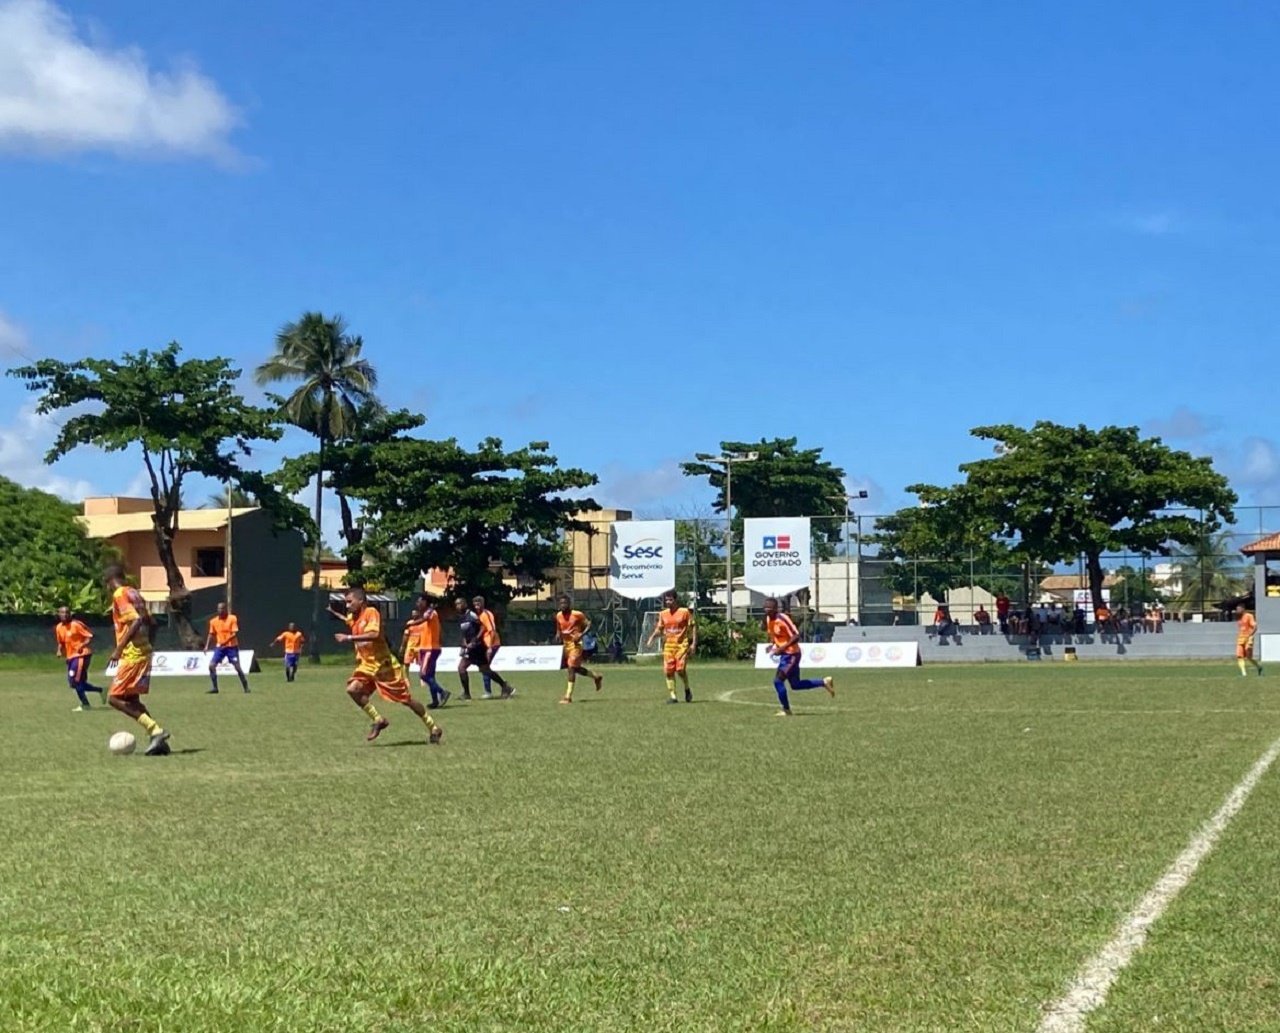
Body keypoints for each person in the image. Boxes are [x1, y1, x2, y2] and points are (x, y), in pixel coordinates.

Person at [331, 587, 442, 743]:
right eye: (346, 602)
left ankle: (433, 727)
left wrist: (348, 637)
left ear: (361, 601)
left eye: (350, 602)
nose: (347, 605)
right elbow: (347, 619)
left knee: (406, 700)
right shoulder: (353, 617)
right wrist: (334, 612)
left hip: (384, 665)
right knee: (352, 689)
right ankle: (378, 720)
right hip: (367, 665)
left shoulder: (371, 612)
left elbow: (374, 634)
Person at [103, 565, 170, 755]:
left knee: (114, 699)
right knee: (131, 698)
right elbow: (152, 622)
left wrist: (119, 649)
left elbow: (136, 621)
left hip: (132, 655)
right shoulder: (135, 593)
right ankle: (159, 742)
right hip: (143, 652)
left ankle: (156, 730)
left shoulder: (119, 595)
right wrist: (148, 645)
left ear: (108, 583)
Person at [763, 597, 834, 717]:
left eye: (769, 608)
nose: (766, 610)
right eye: (765, 608)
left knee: (778, 681)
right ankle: (823, 682)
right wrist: (772, 645)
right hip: (786, 654)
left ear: (776, 608)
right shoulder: (769, 619)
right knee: (795, 685)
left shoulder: (783, 618)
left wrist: (782, 648)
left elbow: (796, 636)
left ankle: (786, 710)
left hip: (792, 654)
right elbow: (775, 635)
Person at [455, 597, 514, 700]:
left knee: (484, 669)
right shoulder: (461, 617)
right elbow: (465, 633)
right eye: (456, 604)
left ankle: (504, 686)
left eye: (460, 604)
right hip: (471, 648)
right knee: (461, 668)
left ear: (465, 604)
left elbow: (482, 627)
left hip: (478, 647)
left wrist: (475, 640)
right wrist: (464, 644)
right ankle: (466, 693)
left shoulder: (472, 615)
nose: (458, 606)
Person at [645, 590, 696, 703]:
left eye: (670, 599)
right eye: (666, 600)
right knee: (668, 671)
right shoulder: (663, 614)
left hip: (682, 645)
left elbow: (693, 627)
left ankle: (687, 689)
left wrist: (693, 644)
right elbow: (659, 629)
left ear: (675, 599)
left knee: (680, 669)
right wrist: (651, 638)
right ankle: (673, 696)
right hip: (668, 646)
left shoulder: (684, 612)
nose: (668, 602)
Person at [553, 595, 604, 703]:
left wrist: (581, 634)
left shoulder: (577, 614)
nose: (563, 605)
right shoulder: (558, 615)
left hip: (576, 644)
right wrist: (558, 634)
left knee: (571, 668)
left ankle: (568, 696)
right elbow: (559, 627)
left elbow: (589, 624)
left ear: (569, 604)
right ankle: (596, 677)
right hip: (566, 645)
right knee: (575, 669)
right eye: (561, 603)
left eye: (565, 603)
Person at [54, 605, 105, 711]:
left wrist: (82, 645)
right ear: (58, 614)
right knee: (75, 683)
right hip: (71, 657)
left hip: (81, 655)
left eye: (67, 612)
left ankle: (85, 704)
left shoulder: (76, 625)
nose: (65, 615)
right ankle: (101, 690)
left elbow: (89, 636)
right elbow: (61, 642)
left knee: (75, 681)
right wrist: (59, 650)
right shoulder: (59, 627)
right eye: (62, 613)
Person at [404, 595, 448, 708]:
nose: (417, 604)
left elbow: (425, 619)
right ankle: (435, 701)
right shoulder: (426, 613)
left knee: (423, 674)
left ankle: (442, 692)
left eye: (419, 601)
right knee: (430, 676)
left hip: (430, 648)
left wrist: (411, 623)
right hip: (425, 648)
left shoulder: (431, 612)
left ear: (425, 602)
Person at [204, 601, 250, 694]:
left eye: (222, 608)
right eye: (218, 609)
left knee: (237, 667)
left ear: (225, 609)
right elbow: (211, 634)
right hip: (220, 648)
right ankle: (215, 688)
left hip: (231, 647)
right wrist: (207, 646)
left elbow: (234, 633)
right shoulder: (213, 621)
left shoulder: (232, 618)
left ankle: (245, 687)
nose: (220, 610)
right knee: (211, 666)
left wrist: (225, 642)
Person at [473, 595, 502, 699]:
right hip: (486, 645)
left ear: (483, 604)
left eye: (478, 603)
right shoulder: (479, 616)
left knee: (485, 667)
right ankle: (505, 687)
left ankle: (488, 692)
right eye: (475, 604)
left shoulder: (486, 614)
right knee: (485, 668)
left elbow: (492, 630)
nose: (476, 606)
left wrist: (489, 647)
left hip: (492, 644)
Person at [1236, 604, 1263, 677]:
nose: (1237, 611)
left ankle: (1259, 667)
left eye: (1238, 609)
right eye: (1237, 609)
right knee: (1239, 656)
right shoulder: (1239, 618)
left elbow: (1255, 626)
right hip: (1240, 639)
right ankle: (1244, 673)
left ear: (1243, 609)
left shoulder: (1249, 616)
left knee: (1248, 657)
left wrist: (1250, 635)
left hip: (1248, 639)